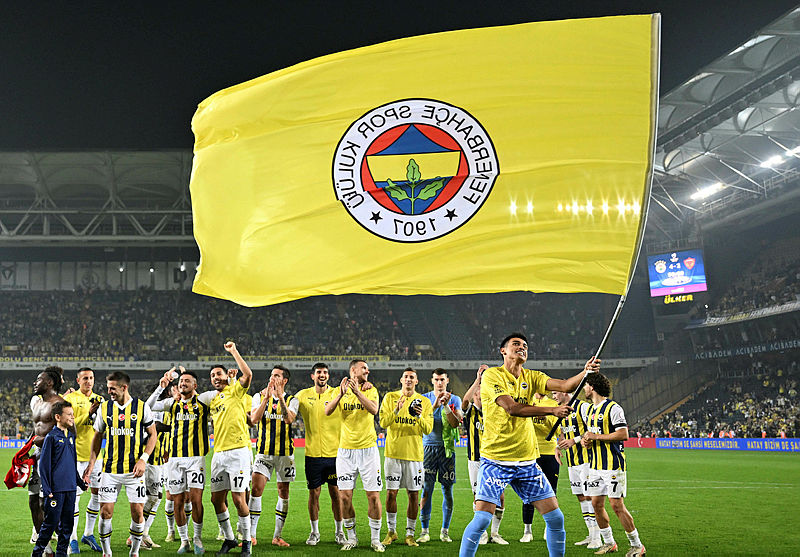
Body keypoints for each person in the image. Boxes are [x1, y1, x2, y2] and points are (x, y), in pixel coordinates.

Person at [458, 332, 600, 557]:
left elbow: (565, 386)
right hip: (495, 460)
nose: (522, 347)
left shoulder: (532, 376)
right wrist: (552, 410)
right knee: (482, 519)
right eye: (516, 344)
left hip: (526, 462)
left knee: (555, 518)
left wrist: (586, 372)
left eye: (525, 345)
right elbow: (512, 408)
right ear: (503, 351)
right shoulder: (492, 375)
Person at [84, 371, 157, 557]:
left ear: (124, 387)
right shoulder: (104, 408)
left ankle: (134, 552)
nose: (109, 392)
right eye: (108, 388)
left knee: (137, 512)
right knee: (105, 512)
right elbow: (97, 436)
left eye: (112, 388)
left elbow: (153, 435)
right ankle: (107, 552)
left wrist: (143, 459)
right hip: (110, 470)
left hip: (134, 471)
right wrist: (92, 463)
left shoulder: (141, 407)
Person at [195, 341, 254, 557]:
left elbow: (248, 375)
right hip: (218, 454)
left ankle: (246, 542)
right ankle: (229, 538)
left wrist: (234, 352)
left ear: (225, 375)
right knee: (216, 499)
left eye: (218, 374)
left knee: (239, 499)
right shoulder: (213, 399)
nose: (216, 378)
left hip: (238, 451)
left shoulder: (236, 390)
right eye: (212, 376)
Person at [147, 366, 211, 554]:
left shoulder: (203, 402)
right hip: (174, 460)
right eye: (181, 381)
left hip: (196, 459)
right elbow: (148, 406)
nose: (183, 383)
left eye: (187, 381)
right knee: (177, 501)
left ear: (195, 385)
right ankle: (184, 541)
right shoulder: (172, 403)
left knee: (196, 500)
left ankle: (197, 538)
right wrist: (161, 387)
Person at [580, 373, 645, 556]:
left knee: (616, 505)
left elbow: (623, 434)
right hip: (595, 465)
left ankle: (637, 546)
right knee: (596, 504)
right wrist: (586, 440)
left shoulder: (613, 408)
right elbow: (592, 434)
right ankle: (609, 543)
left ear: (592, 387)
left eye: (586, 385)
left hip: (613, 465)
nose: (584, 388)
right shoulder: (590, 411)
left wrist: (595, 436)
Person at [324, 359, 384, 552]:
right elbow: (327, 410)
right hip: (346, 452)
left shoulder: (371, 390)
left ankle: (375, 539)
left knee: (373, 496)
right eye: (364, 368)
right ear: (353, 370)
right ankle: (352, 538)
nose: (368, 371)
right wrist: (341, 394)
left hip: (368, 450)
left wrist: (358, 392)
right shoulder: (338, 390)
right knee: (344, 497)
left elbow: (374, 410)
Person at [378, 367, 433, 547]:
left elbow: (428, 429)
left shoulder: (424, 402)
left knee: (413, 495)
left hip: (414, 456)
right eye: (406, 377)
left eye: (412, 377)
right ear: (401, 380)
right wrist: (396, 410)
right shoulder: (390, 397)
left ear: (416, 381)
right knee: (391, 493)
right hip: (393, 454)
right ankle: (391, 531)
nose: (409, 380)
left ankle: (410, 534)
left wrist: (418, 416)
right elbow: (383, 422)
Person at [295, 363, 346, 546]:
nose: (322, 375)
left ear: (328, 375)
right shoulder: (302, 395)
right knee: (314, 493)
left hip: (335, 455)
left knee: (336, 493)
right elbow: (288, 404)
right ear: (313, 376)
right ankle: (314, 532)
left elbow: (356, 394)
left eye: (325, 372)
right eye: (318, 372)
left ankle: (339, 532)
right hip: (313, 455)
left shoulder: (337, 393)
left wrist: (365, 385)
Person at [249, 365, 299, 548]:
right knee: (256, 489)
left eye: (276, 375)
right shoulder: (258, 396)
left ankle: (277, 536)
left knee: (283, 492)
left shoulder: (293, 400)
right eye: (271, 375)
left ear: (284, 380)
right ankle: (251, 535)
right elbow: (254, 419)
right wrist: (266, 399)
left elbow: (288, 419)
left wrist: (280, 398)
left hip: (285, 454)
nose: (272, 378)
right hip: (263, 452)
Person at [32, 401, 87, 557]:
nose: (72, 417)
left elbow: (72, 464)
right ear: (58, 417)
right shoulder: (51, 437)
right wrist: (47, 489)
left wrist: (80, 483)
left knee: (67, 526)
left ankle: (61, 554)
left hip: (70, 489)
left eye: (72, 414)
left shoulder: (71, 437)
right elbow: (44, 466)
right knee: (50, 525)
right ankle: (37, 553)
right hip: (56, 491)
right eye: (69, 414)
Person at [462, 365, 507, 545]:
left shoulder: (493, 411)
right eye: (478, 392)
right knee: (478, 497)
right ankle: (481, 534)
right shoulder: (470, 412)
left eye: (483, 391)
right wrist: (478, 380)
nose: (480, 394)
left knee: (500, 496)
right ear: (475, 394)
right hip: (476, 460)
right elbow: (464, 401)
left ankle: (495, 533)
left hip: (495, 459)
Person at [64, 367, 106, 553]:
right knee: (74, 498)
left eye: (91, 378)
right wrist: (88, 413)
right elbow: (68, 424)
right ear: (78, 380)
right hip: (75, 456)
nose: (89, 381)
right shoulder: (71, 399)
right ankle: (72, 537)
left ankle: (88, 533)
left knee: (98, 495)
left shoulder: (100, 400)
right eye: (85, 378)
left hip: (96, 457)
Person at [419, 368, 463, 543]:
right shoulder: (424, 398)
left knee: (447, 491)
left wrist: (446, 406)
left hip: (447, 450)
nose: (439, 383)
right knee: (426, 490)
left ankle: (445, 531)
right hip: (428, 449)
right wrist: (435, 405)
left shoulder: (455, 399)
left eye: (442, 380)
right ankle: (424, 531)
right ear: (432, 381)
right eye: (436, 380)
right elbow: (422, 421)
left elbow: (455, 424)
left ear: (447, 381)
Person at [553, 388, 601, 549]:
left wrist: (574, 440)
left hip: (587, 460)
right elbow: (562, 432)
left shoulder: (582, 407)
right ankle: (591, 534)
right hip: (572, 461)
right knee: (581, 496)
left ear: (565, 393)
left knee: (589, 496)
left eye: (555, 393)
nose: (553, 397)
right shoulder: (561, 411)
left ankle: (597, 538)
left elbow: (593, 429)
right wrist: (558, 447)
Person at [30, 367, 68, 551]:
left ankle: (63, 544)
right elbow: (36, 430)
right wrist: (28, 447)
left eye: (39, 379)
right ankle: (45, 548)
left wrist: (44, 440)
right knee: (33, 501)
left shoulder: (60, 404)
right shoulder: (37, 403)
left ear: (50, 383)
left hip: (53, 459)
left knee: (48, 504)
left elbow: (69, 433)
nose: (35, 382)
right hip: (37, 457)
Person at [521, 392, 562, 542]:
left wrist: (545, 418)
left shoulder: (553, 404)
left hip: (550, 453)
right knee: (527, 492)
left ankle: (548, 528)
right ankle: (527, 531)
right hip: (531, 452)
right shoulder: (527, 401)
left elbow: (558, 430)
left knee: (551, 492)